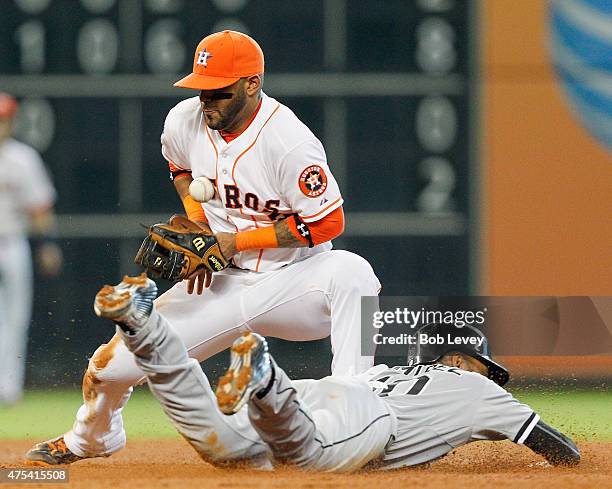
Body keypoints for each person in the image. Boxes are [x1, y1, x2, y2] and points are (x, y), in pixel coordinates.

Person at [25, 30, 380, 463]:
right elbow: (179, 165)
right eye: (201, 89)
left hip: (293, 284)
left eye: (219, 91)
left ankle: (360, 413)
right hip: (222, 284)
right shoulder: (184, 120)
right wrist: (199, 227)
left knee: (353, 273)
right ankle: (92, 438)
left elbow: (328, 221)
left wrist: (234, 242)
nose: (207, 100)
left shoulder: (290, 143)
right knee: (110, 366)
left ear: (252, 84)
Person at [27, 276, 580, 469]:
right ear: (460, 359)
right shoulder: (476, 389)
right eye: (485, 365)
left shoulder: (392, 369)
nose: (491, 375)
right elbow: (556, 448)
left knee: (223, 447)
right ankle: (265, 380)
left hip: (334, 393)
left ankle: (142, 325)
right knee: (307, 453)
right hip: (367, 420)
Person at [0, 93, 62, 406]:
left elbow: (40, 208)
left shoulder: (23, 158)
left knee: (16, 317)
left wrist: (47, 244)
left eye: (4, 119)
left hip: (12, 242)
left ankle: (8, 391)